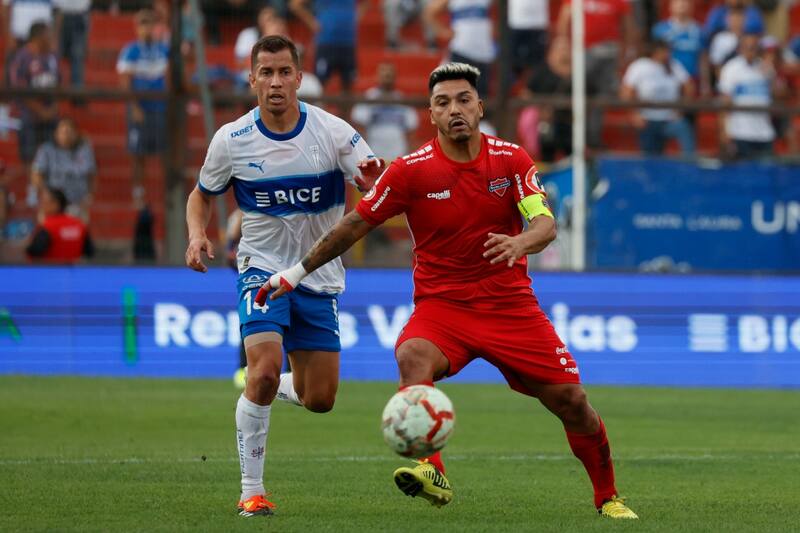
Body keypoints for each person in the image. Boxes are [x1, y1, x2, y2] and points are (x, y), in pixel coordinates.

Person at [257, 63, 639, 520]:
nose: (454, 109)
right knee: (411, 354)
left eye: (462, 100)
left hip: (509, 307)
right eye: (443, 103)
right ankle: (431, 468)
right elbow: (356, 223)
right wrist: (295, 273)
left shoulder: (511, 160)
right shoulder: (410, 172)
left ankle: (608, 497)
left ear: (479, 107)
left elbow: (545, 222)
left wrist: (519, 241)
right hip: (443, 309)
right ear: (431, 115)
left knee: (573, 403)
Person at [184, 35, 383, 518]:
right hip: (261, 271)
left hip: (317, 276)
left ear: (299, 77)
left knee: (321, 399)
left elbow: (379, 183)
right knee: (265, 368)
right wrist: (197, 234)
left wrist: (375, 181)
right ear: (251, 79)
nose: (275, 82)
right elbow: (201, 194)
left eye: (284, 72)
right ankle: (251, 490)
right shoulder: (231, 140)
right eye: (265, 72)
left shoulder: (333, 132)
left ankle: (270, 385)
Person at [556, 0, 638, 148]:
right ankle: (564, 132)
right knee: (575, 91)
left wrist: (626, 52)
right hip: (582, 53)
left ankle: (593, 139)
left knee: (601, 98)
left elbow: (628, 26)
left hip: (609, 53)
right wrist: (564, 46)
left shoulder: (618, 2)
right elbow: (564, 21)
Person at [116, 8, 168, 209]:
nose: (147, 28)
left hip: (161, 108)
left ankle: (166, 193)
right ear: (136, 28)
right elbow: (124, 81)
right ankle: (138, 193)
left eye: (150, 24)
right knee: (138, 154)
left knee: (165, 152)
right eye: (142, 24)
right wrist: (134, 106)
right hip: (140, 109)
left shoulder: (164, 49)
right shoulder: (130, 50)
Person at [8, 20, 59, 205]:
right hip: (28, 116)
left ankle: (49, 191)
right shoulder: (22, 58)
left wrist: (52, 108)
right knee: (30, 155)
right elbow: (19, 89)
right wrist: (40, 110)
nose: (51, 38)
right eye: (47, 34)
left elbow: (59, 83)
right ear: (38, 37)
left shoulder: (52, 57)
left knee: (50, 152)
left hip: (50, 115)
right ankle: (32, 190)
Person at [621, 40, 696, 156]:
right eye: (665, 51)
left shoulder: (673, 65)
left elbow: (689, 86)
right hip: (648, 120)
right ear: (656, 52)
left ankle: (690, 163)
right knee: (651, 156)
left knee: (684, 129)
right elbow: (626, 91)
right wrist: (634, 114)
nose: (668, 54)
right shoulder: (639, 66)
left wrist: (681, 109)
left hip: (669, 118)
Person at [718, 33, 776, 158]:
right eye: (747, 47)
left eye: (754, 47)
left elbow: (779, 96)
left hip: (764, 132)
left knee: (767, 174)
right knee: (744, 174)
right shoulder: (731, 69)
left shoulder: (766, 68)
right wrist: (725, 131)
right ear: (740, 49)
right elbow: (725, 102)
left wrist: (771, 76)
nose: (751, 51)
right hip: (741, 132)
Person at [290, 0, 366, 94]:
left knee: (348, 86)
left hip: (348, 43)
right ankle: (320, 108)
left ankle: (344, 109)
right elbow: (295, 5)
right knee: (320, 84)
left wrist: (356, 16)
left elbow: (366, 2)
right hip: (326, 42)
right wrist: (312, 22)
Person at [424, 0, 495, 97]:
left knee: (480, 98)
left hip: (484, 54)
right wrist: (443, 32)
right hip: (461, 51)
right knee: (458, 96)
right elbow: (430, 12)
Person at [31, 117, 96, 220]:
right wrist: (45, 194)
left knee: (78, 227)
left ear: (76, 133)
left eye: (70, 131)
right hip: (53, 202)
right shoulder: (46, 150)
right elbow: (36, 174)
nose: (67, 135)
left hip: (77, 202)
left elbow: (92, 175)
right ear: (56, 134)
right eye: (63, 132)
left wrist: (89, 196)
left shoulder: (85, 150)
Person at [351, 62, 419, 161]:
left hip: (398, 155)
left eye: (389, 75)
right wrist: (364, 153)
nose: (387, 77)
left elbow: (412, 129)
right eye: (384, 74)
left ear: (395, 77)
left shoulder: (402, 100)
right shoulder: (368, 98)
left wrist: (409, 155)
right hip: (374, 154)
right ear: (377, 76)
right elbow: (359, 126)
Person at [652, 0, 708, 94]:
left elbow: (702, 58)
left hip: (692, 79)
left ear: (691, 6)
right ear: (670, 6)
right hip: (668, 79)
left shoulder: (699, 30)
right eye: (678, 2)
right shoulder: (660, 30)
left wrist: (705, 84)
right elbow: (654, 58)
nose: (682, 5)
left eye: (685, 2)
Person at [26, 186, 93, 263]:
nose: (41, 205)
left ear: (55, 204)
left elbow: (35, 251)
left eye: (44, 202)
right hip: (72, 272)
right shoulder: (79, 225)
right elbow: (89, 251)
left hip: (48, 271)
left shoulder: (47, 227)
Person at [54, 0, 90, 87]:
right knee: (57, 54)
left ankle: (77, 92)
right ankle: (55, 86)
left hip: (80, 15)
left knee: (77, 56)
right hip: (61, 13)